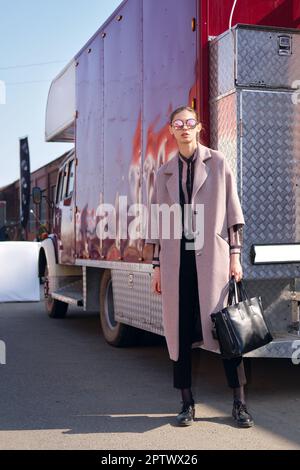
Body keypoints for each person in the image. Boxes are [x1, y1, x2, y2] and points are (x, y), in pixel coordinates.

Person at [146, 106, 254, 428]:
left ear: (199, 128)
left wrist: (235, 257)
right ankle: (186, 403)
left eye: (189, 123)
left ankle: (240, 404)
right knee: (179, 333)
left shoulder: (218, 164)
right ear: (171, 131)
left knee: (225, 330)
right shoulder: (164, 173)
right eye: (178, 124)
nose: (184, 129)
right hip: (177, 262)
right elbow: (156, 223)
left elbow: (233, 215)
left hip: (213, 263)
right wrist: (156, 267)